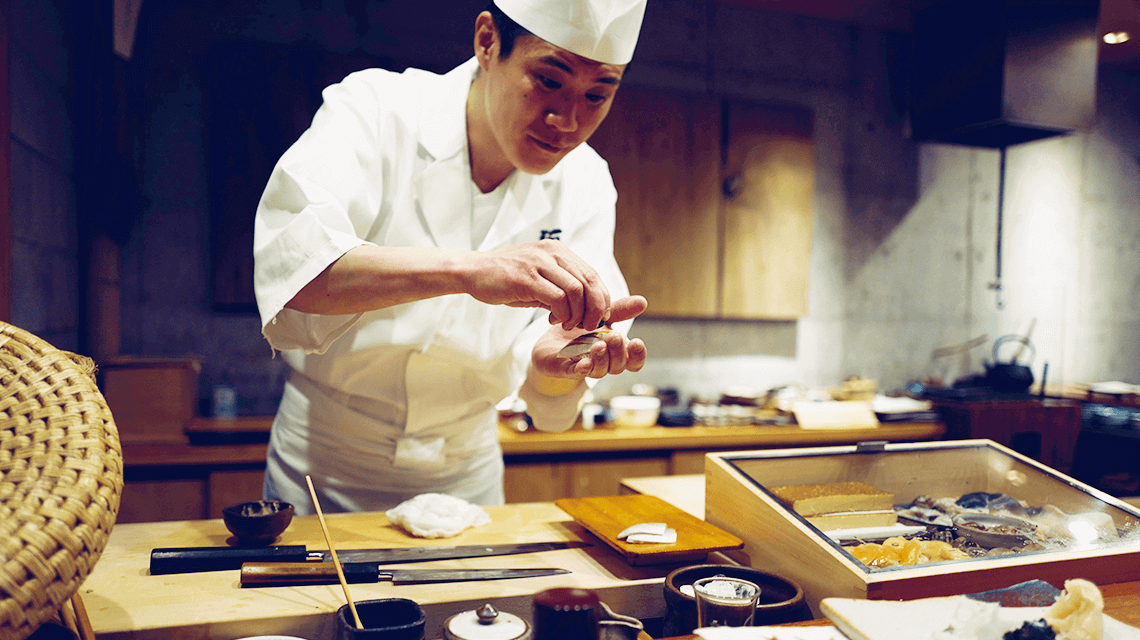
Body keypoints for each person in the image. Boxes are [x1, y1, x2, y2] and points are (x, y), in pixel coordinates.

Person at [252, 0, 649, 514]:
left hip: (466, 479)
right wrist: (471, 270)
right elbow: (296, 268)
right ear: (487, 42)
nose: (566, 121)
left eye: (597, 95)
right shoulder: (377, 109)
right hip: (322, 468)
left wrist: (558, 366)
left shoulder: (587, 182)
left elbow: (553, 376)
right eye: (549, 81)